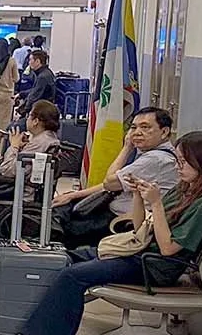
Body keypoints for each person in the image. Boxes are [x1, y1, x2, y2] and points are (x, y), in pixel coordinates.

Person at [0, 130, 202, 335]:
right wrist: (139, 197)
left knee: (73, 276)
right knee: (62, 258)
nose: (178, 166)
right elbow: (140, 228)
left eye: (184, 162)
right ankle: (14, 324)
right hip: (140, 251)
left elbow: (169, 248)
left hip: (154, 266)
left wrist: (157, 205)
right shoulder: (185, 191)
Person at [53, 106, 181, 249]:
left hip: (123, 222)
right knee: (64, 208)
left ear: (164, 132)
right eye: (133, 127)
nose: (137, 132)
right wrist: (74, 195)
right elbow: (115, 183)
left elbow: (110, 182)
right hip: (111, 212)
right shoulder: (152, 153)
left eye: (145, 127)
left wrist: (126, 148)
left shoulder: (156, 159)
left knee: (61, 228)